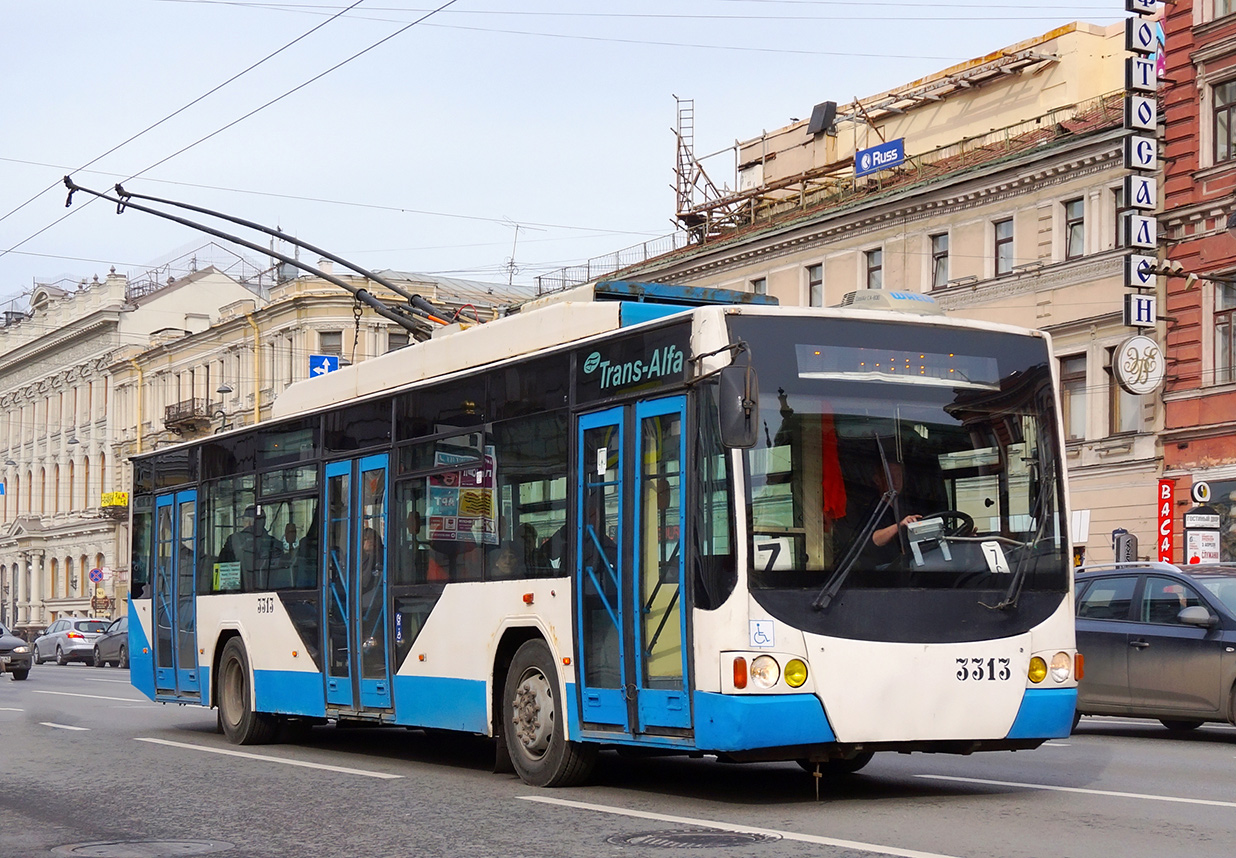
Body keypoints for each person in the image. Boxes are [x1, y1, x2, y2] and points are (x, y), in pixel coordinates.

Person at [219, 505, 286, 590]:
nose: (243, 523)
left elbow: (221, 565)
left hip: (241, 591)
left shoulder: (235, 540)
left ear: (249, 522)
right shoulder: (276, 544)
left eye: (244, 521)